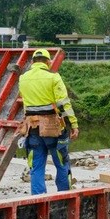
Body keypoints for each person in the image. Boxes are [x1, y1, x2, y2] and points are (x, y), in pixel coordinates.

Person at [18, 49, 79, 194]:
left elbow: (25, 104)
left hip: (32, 129)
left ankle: (38, 202)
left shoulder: (23, 78)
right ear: (48, 62)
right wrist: (73, 124)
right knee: (62, 164)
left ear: (32, 62)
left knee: (36, 167)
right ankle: (65, 197)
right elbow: (63, 104)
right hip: (53, 129)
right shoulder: (53, 77)